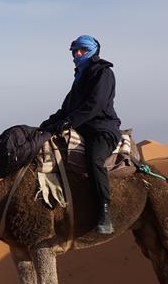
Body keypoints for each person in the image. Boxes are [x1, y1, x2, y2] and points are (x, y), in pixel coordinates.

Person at [39, 35, 122, 235]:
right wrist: (47, 125)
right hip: (81, 128)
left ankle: (104, 212)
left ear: (92, 51)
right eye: (74, 51)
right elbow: (66, 109)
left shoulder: (103, 73)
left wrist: (68, 123)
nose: (76, 54)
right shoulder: (80, 78)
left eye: (81, 50)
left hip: (102, 129)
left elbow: (94, 105)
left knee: (94, 159)